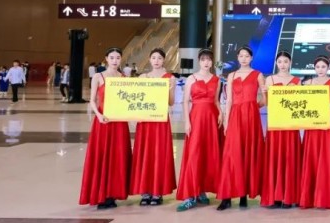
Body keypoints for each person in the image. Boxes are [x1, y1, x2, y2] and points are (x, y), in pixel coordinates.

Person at [79, 47, 132, 210]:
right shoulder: (98, 76)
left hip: (119, 123)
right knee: (102, 155)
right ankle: (101, 194)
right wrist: (99, 115)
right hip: (103, 122)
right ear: (106, 59)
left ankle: (113, 193)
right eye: (112, 57)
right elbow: (92, 100)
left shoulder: (124, 78)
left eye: (118, 58)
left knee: (118, 156)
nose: (115, 60)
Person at [217, 46, 265, 210]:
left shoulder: (258, 75)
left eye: (247, 56)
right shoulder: (231, 75)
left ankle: (243, 194)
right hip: (235, 116)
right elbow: (229, 100)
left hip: (251, 118)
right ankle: (226, 197)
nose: (244, 59)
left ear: (251, 58)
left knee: (247, 153)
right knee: (232, 154)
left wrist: (253, 106)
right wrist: (226, 121)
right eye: (241, 56)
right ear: (237, 58)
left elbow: (265, 99)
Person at [176, 49, 223, 211]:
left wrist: (221, 113)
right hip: (196, 118)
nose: (206, 62)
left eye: (209, 59)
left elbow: (216, 101)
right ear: (199, 61)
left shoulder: (217, 80)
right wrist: (187, 122)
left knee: (208, 154)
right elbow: (185, 101)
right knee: (194, 154)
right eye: (203, 59)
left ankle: (201, 189)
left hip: (212, 119)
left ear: (212, 62)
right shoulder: (191, 78)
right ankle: (190, 194)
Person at [131, 48, 177, 206]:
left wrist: (169, 89)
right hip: (145, 120)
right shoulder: (143, 77)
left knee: (159, 153)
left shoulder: (170, 78)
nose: (156, 61)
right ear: (149, 59)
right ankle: (145, 191)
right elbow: (137, 98)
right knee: (145, 152)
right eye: (154, 58)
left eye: (159, 58)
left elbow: (171, 102)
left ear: (164, 60)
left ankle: (157, 191)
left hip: (160, 120)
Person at [299, 55, 330, 209]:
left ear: (328, 68)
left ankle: (328, 197)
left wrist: (328, 120)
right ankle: (310, 197)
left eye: (323, 67)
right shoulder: (307, 83)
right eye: (318, 67)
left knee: (327, 160)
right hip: (312, 126)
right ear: (314, 68)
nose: (320, 69)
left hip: (326, 126)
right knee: (312, 158)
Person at [261, 50, 302, 209]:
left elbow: (301, 103)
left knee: (290, 157)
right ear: (276, 63)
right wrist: (264, 94)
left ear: (290, 63)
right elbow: (267, 103)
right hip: (275, 124)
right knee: (275, 157)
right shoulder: (270, 79)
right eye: (280, 62)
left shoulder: (297, 81)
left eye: (285, 61)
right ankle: (275, 196)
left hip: (291, 124)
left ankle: (288, 196)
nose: (283, 65)